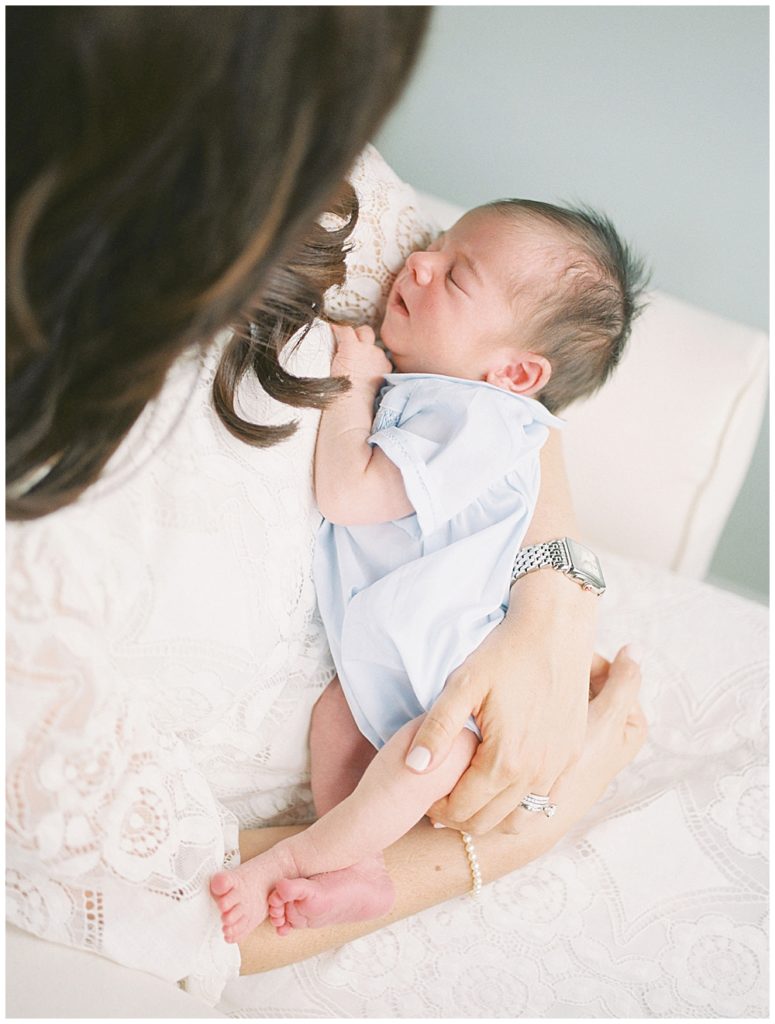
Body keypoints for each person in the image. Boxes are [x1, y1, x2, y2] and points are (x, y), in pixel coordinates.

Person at [6, 8, 646, 1005]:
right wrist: (533, 826)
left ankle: (337, 850)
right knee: (368, 747)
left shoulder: (293, 152)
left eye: (451, 265)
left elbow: (524, 431)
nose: (417, 261)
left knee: (392, 751)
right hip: (397, 678)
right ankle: (339, 858)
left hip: (438, 651)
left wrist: (552, 605)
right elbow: (149, 895)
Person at [210, 199, 647, 942]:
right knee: (339, 726)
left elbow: (350, 494)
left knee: (412, 754)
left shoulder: (478, 418)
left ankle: (284, 864)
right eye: (432, 247)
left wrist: (352, 379)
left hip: (458, 681)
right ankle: (359, 864)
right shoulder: (449, 399)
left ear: (513, 371)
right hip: (399, 658)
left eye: (454, 274)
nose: (417, 263)